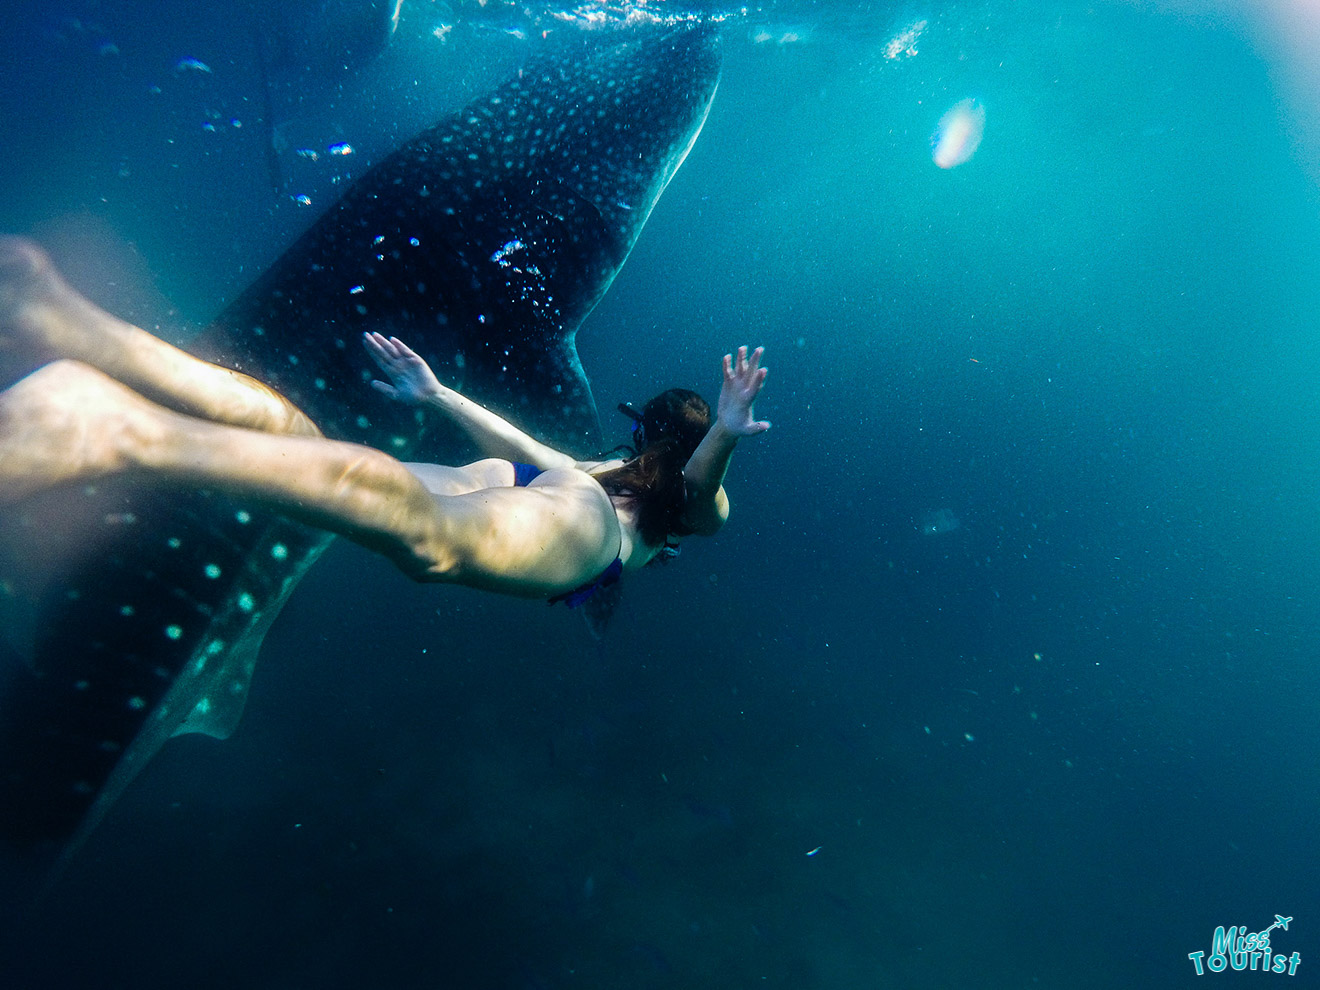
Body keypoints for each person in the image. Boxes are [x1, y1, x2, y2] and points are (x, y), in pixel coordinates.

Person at [0, 238, 769, 605]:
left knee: (314, 450)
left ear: (645, 433)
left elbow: (528, 450)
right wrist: (727, 431)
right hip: (582, 538)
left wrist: (439, 396)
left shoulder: (617, 468)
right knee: (427, 543)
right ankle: (112, 429)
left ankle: (77, 328)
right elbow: (705, 492)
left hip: (533, 480)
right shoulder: (684, 513)